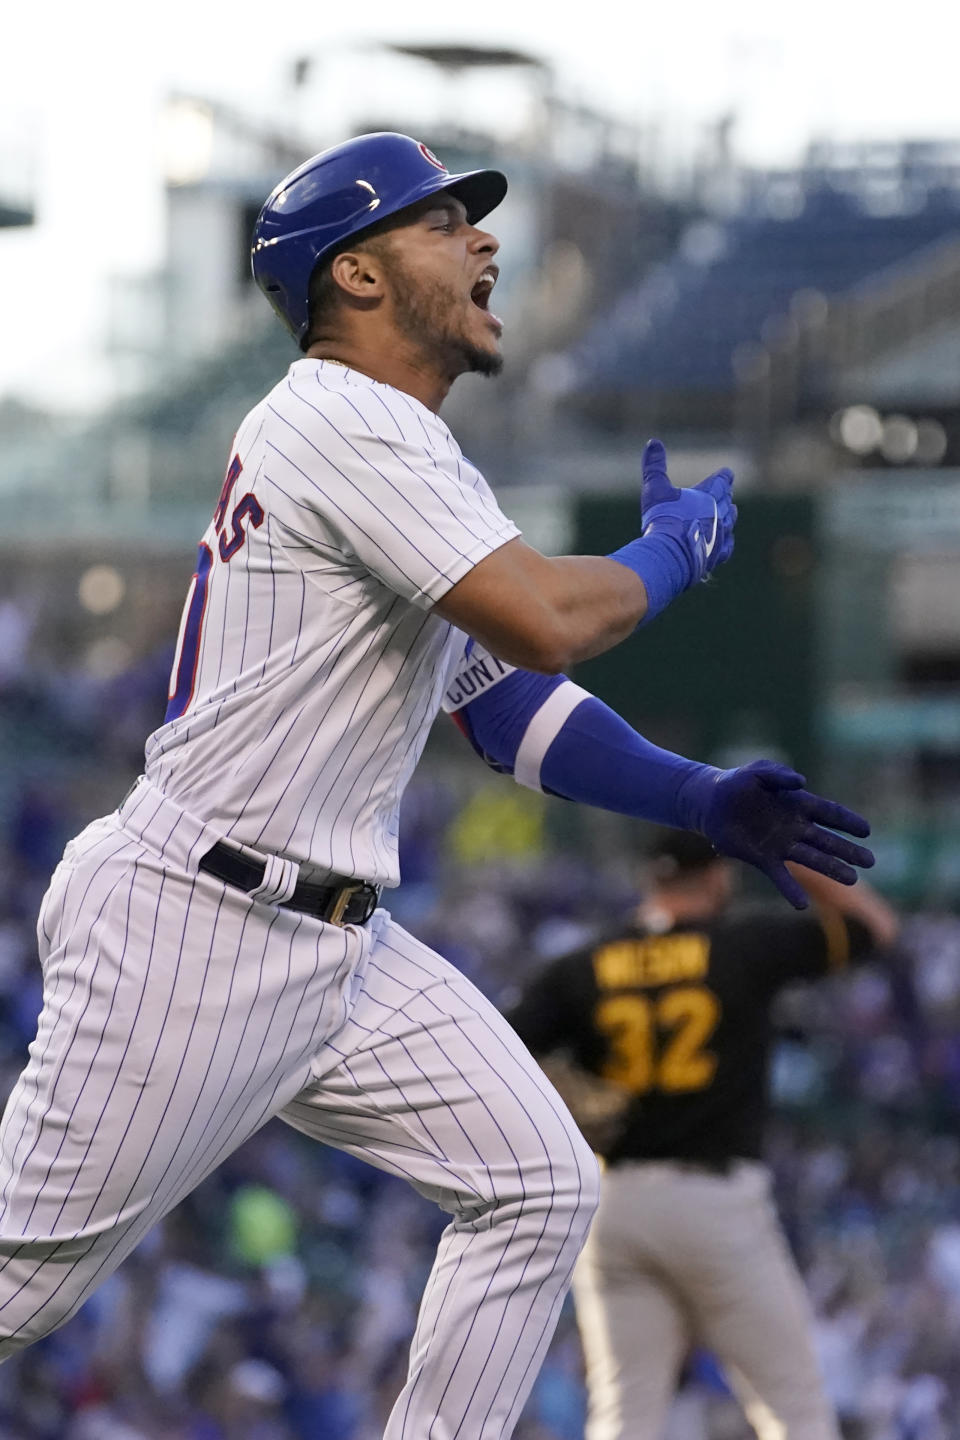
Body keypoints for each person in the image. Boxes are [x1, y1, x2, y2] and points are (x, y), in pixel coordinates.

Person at [0, 132, 874, 1438]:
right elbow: (542, 621)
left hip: (333, 945)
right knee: (18, 1289)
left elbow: (503, 701)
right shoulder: (337, 414)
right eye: (442, 222)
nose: (485, 242)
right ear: (354, 275)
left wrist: (697, 799)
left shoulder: (396, 448)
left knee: (535, 1183)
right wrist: (671, 556)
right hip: (199, 927)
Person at [506, 829, 899, 1440]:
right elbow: (873, 926)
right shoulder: (742, 944)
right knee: (794, 1411)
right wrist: (781, 848)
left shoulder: (581, 967)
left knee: (622, 1414)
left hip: (614, 1207)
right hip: (714, 1201)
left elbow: (500, 1060)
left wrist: (559, 1108)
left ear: (648, 881)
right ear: (718, 877)